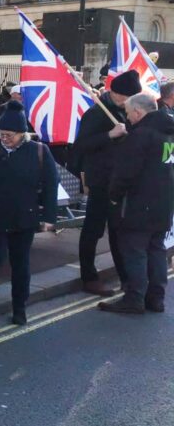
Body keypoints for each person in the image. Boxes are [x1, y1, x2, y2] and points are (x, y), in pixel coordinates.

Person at [0, 101, 59, 326]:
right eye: (1, 134)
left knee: (21, 265)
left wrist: (48, 217)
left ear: (22, 134)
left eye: (9, 134)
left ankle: (20, 308)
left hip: (23, 217)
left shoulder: (39, 151)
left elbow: (51, 184)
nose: (4, 138)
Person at [98, 93, 174, 314]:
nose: (128, 118)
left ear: (139, 113)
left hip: (138, 204)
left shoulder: (140, 135)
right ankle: (156, 299)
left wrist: (114, 196)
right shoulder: (168, 133)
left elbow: (125, 173)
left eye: (130, 113)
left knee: (135, 252)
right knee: (156, 251)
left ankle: (134, 298)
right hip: (164, 203)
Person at [72, 70, 141, 297]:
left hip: (120, 179)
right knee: (93, 230)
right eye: (126, 98)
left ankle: (125, 277)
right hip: (102, 180)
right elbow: (81, 145)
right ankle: (89, 277)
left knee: (118, 230)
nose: (128, 103)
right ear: (115, 93)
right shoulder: (96, 113)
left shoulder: (124, 111)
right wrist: (110, 135)